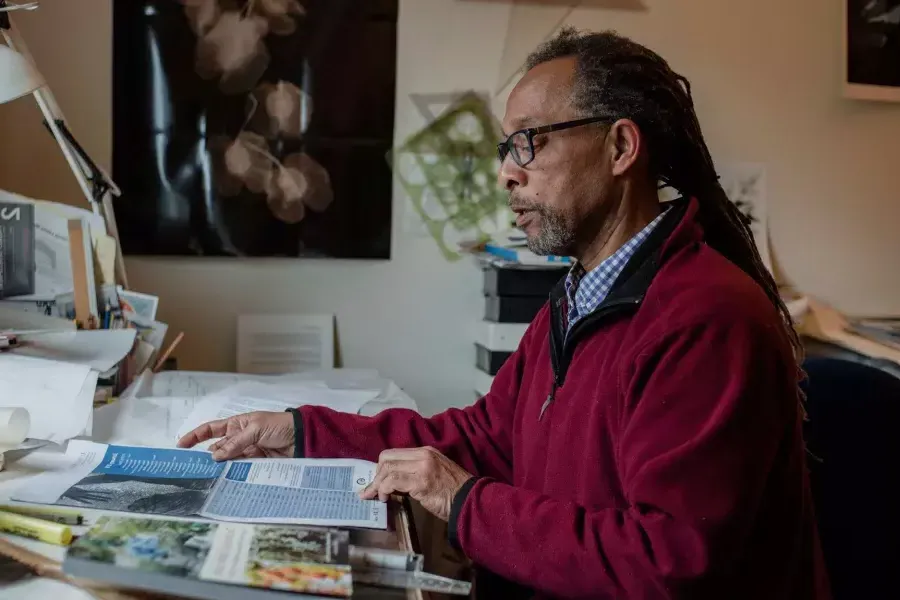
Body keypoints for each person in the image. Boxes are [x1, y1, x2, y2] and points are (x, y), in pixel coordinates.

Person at [179, 28, 830, 599]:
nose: (506, 176)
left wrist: (462, 502)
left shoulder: (705, 320)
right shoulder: (580, 296)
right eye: (505, 148)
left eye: (528, 143)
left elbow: (667, 566)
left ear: (620, 147)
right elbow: (490, 436)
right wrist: (303, 432)